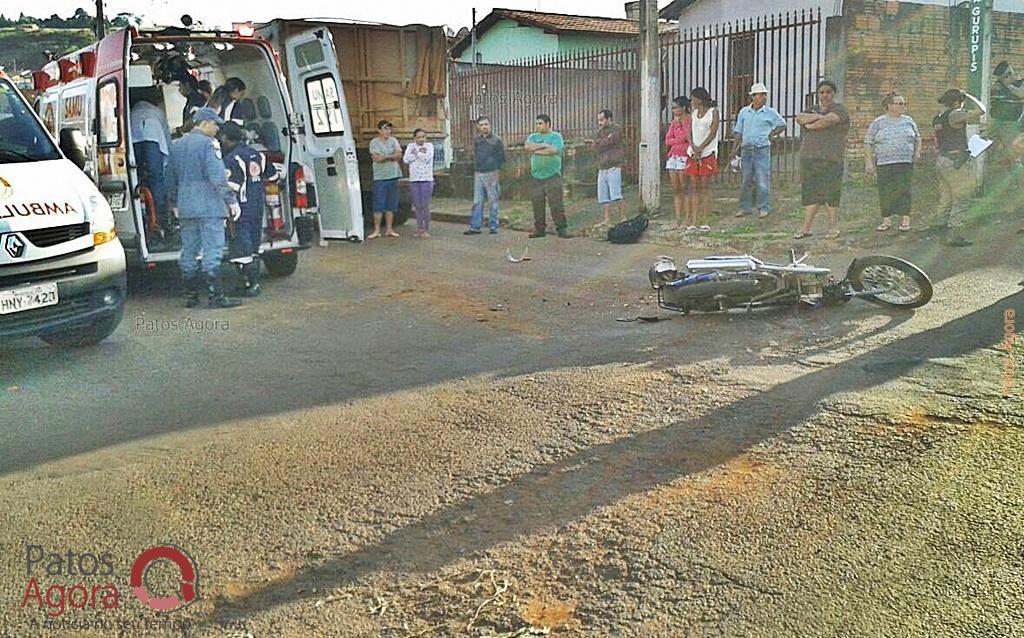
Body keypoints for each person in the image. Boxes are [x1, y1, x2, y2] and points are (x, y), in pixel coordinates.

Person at [165, 107, 242, 308]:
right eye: (215, 124)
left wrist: (174, 203)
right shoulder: (209, 145)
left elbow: (169, 180)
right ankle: (216, 296)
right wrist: (231, 200)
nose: (218, 129)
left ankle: (190, 296)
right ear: (205, 122)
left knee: (189, 250)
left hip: (186, 206)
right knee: (212, 249)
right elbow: (216, 177)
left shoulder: (176, 145)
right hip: (210, 205)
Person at [220, 121, 280, 296]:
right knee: (254, 244)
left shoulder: (231, 159)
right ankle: (253, 283)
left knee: (241, 246)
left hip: (240, 208)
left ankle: (250, 285)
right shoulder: (258, 155)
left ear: (224, 137)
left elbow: (230, 187)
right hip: (257, 206)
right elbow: (274, 176)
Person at [793, 79, 851, 240]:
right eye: (822, 92)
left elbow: (828, 121)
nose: (825, 95)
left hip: (831, 158)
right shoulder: (811, 109)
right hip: (810, 157)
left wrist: (813, 122)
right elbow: (799, 118)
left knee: (830, 193)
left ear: (833, 94)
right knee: (811, 193)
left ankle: (833, 226)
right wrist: (817, 117)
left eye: (828, 92)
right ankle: (806, 228)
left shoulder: (840, 109)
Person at [933, 88, 987, 247]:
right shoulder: (955, 114)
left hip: (942, 159)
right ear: (957, 102)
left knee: (946, 197)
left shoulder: (938, 117)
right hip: (956, 161)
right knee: (963, 196)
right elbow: (981, 110)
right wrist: (969, 95)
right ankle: (954, 235)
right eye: (961, 101)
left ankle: (941, 230)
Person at [864, 92, 921, 233]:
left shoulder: (909, 120)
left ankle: (905, 219)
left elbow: (918, 138)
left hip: (905, 161)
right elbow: (868, 142)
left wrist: (917, 152)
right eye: (899, 103)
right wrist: (869, 162)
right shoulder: (879, 122)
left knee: (904, 189)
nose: (903, 106)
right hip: (885, 162)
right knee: (886, 190)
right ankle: (886, 219)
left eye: (904, 103)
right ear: (889, 106)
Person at [730, 82, 786, 220]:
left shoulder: (770, 112)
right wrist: (734, 149)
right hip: (746, 149)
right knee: (746, 179)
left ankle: (763, 207)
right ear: (753, 97)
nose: (764, 97)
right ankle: (745, 207)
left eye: (764, 95)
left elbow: (782, 124)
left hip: (761, 149)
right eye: (761, 95)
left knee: (762, 179)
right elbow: (738, 132)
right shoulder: (744, 112)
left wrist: (771, 134)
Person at [129, 86, 173, 235]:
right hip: (154, 141)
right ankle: (160, 218)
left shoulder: (132, 111)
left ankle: (143, 212)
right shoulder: (157, 112)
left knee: (138, 176)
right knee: (157, 178)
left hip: (136, 141)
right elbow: (167, 138)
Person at [525, 114, 568, 239]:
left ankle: (561, 229)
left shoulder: (556, 136)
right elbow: (527, 146)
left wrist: (536, 149)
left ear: (548, 124)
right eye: (537, 123)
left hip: (552, 175)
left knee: (556, 204)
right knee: (537, 204)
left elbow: (554, 150)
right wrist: (544, 146)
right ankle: (540, 229)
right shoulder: (533, 136)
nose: (538, 126)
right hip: (536, 176)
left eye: (540, 123)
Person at [684, 87, 720, 233]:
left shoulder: (713, 112)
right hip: (693, 153)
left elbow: (713, 131)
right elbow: (689, 132)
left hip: (707, 153)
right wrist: (693, 147)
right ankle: (693, 220)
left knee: (705, 187)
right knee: (693, 187)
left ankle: (704, 220)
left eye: (693, 98)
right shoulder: (693, 114)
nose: (692, 101)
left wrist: (701, 147)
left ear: (700, 98)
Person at [466, 116, 505, 235]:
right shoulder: (477, 140)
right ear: (478, 126)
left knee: (493, 200)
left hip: (491, 173)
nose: (484, 127)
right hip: (478, 173)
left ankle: (493, 226)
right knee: (477, 201)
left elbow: (502, 157)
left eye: (486, 124)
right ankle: (475, 226)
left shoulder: (496, 140)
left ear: (490, 125)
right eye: (482, 125)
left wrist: (494, 167)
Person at [368, 120, 403, 239]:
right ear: (379, 130)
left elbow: (398, 155)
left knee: (390, 205)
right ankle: (377, 230)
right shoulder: (374, 142)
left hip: (393, 175)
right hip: (380, 177)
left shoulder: (394, 140)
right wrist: (391, 156)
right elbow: (377, 158)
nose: (388, 131)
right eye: (385, 129)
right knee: (378, 205)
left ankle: (389, 229)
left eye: (389, 129)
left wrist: (386, 156)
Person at [593, 109, 625, 226]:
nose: (600, 123)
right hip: (602, 166)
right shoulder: (599, 132)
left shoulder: (616, 129)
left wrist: (601, 142)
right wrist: (602, 142)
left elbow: (610, 141)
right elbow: (595, 145)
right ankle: (607, 219)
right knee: (603, 196)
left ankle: (623, 217)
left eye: (602, 120)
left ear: (609, 119)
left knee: (616, 194)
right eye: (599, 120)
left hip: (614, 165)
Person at [664, 96, 691, 229]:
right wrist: (677, 139)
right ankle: (678, 218)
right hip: (673, 156)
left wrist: (678, 135)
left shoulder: (688, 121)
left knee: (685, 188)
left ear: (684, 108)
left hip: (684, 156)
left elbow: (685, 137)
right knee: (676, 189)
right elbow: (667, 140)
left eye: (676, 107)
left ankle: (687, 217)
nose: (674, 110)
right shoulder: (673, 123)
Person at [404, 128, 435, 238]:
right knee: (417, 205)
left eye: (423, 137)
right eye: (419, 137)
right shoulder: (410, 146)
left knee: (425, 205)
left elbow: (427, 158)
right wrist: (418, 153)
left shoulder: (429, 146)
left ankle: (426, 229)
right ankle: (419, 228)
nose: (421, 139)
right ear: (414, 138)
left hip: (426, 179)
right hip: (414, 179)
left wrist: (416, 154)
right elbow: (406, 159)